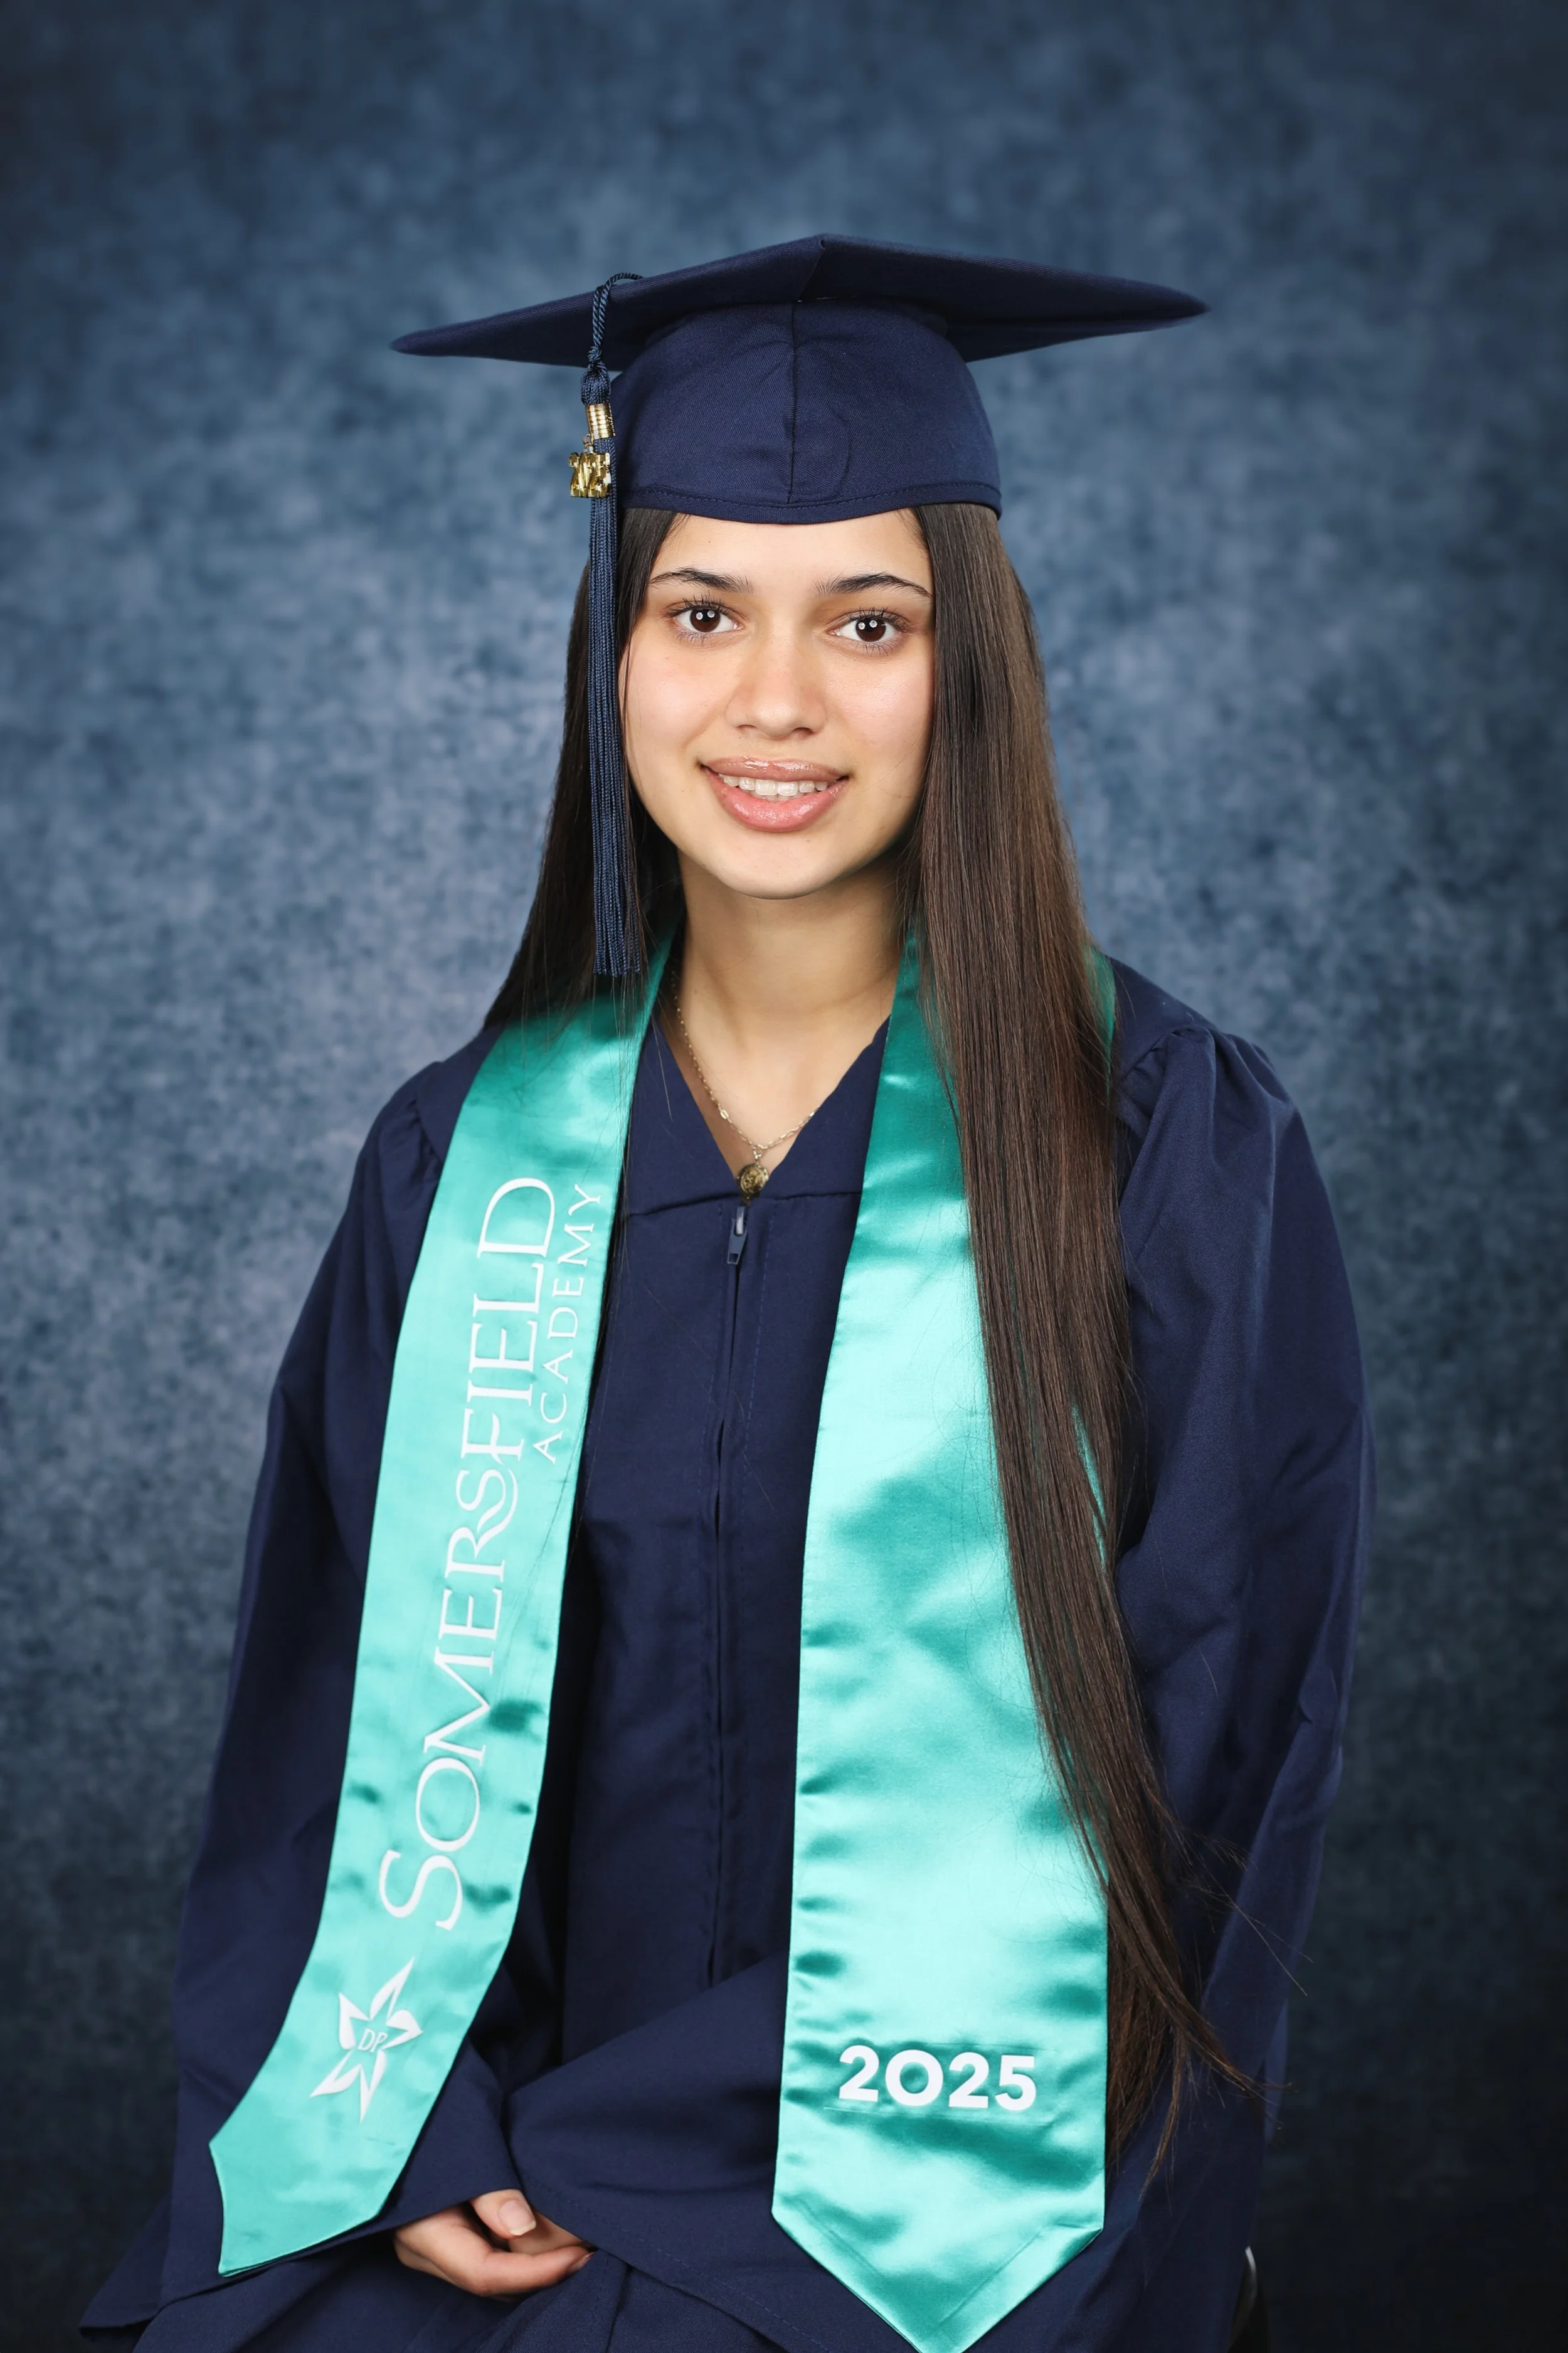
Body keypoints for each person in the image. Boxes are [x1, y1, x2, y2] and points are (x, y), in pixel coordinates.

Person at [84, 236, 1370, 2353]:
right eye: (700, 611)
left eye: (868, 621)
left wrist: (649, 2187)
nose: (775, 699)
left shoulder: (1168, 1156)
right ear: (613, 651)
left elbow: (1220, 1764)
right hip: (487, 2160)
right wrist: (419, 2129)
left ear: (969, 668)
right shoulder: (464, 1164)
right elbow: (322, 1732)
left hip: (967, 2191)